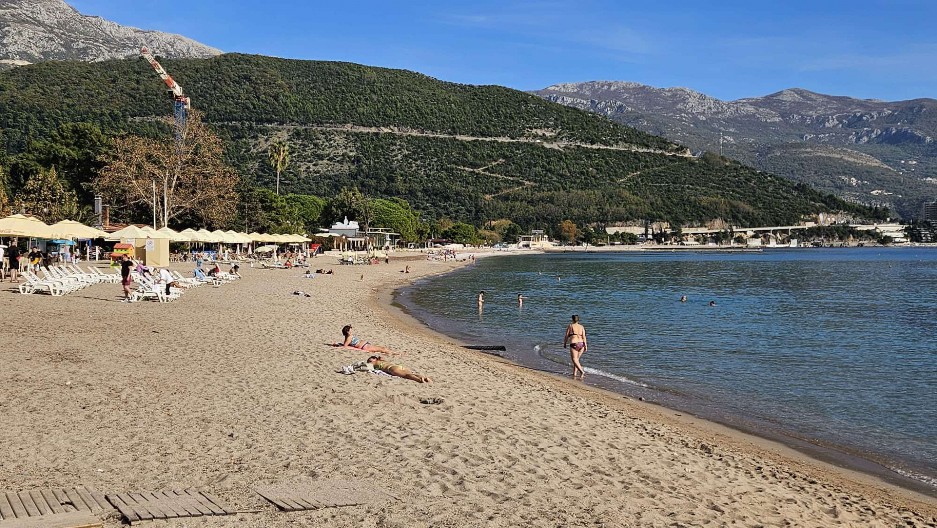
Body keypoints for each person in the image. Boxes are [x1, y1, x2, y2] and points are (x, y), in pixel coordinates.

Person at [367, 355, 432, 383]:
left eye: (370, 360)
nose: (370, 361)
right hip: (396, 366)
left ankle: (420, 380)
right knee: (410, 374)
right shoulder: (382, 361)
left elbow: (368, 367)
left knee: (407, 376)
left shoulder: (375, 363)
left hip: (391, 368)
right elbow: (381, 358)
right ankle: (424, 378)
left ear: (374, 359)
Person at [563, 314, 588, 380]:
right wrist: (585, 345)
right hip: (581, 344)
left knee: (574, 359)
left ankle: (582, 371)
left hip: (574, 343)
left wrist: (565, 343)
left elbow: (566, 336)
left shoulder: (571, 326)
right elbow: (584, 337)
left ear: (572, 319)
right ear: (578, 319)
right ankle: (574, 374)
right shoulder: (581, 327)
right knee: (577, 360)